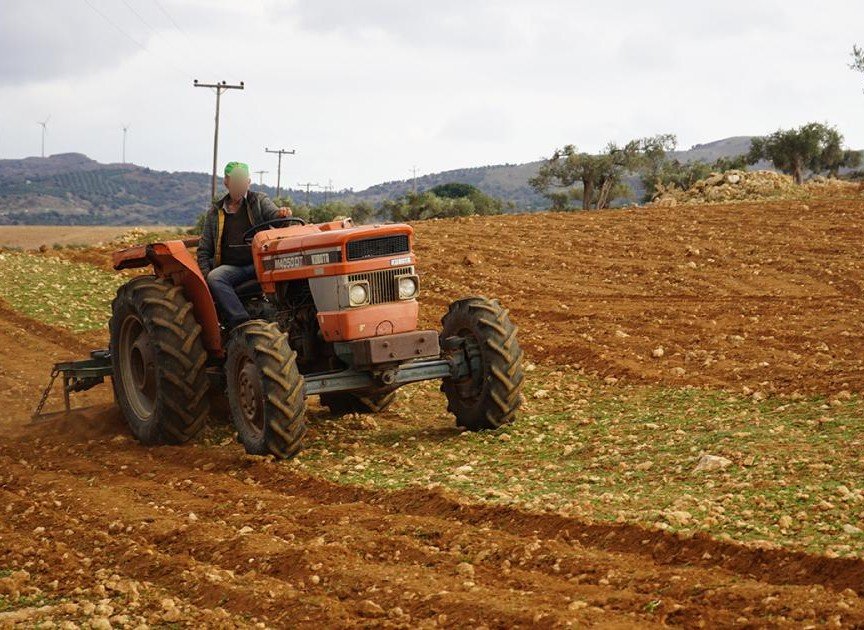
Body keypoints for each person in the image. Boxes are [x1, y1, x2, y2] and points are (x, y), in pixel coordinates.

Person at [196, 161, 292, 330]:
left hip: (260, 263)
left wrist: (283, 215)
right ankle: (242, 323)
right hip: (233, 268)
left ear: (248, 182)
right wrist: (205, 278)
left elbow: (276, 218)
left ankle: (291, 316)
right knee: (215, 277)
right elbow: (204, 250)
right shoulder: (215, 212)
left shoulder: (259, 200)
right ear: (227, 182)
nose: (239, 184)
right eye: (235, 180)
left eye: (242, 180)